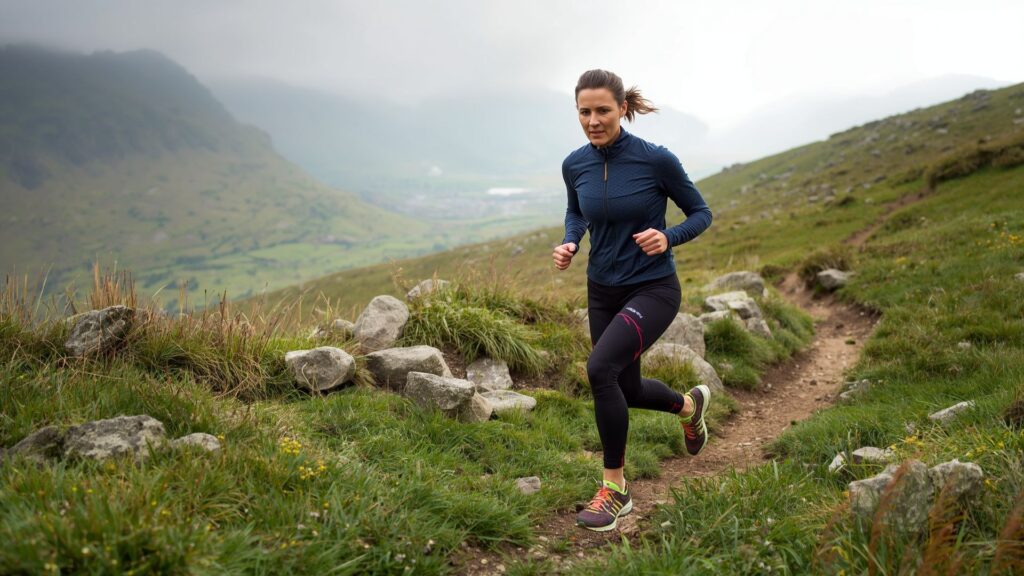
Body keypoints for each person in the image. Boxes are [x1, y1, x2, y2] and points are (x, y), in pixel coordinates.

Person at [552, 69, 714, 532]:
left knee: (600, 370)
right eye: (584, 111)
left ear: (623, 109)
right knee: (625, 388)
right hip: (602, 288)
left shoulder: (655, 160)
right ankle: (689, 407)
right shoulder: (574, 164)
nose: (593, 121)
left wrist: (668, 237)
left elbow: (701, 212)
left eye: (603, 110)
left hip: (653, 288)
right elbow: (576, 210)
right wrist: (571, 240)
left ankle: (615, 490)